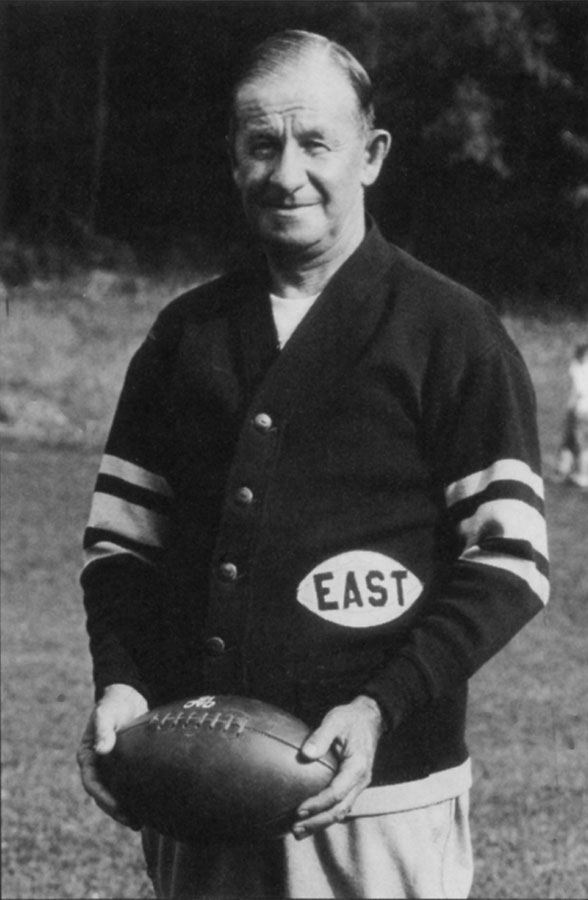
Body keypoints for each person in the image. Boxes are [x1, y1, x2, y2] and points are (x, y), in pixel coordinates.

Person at [75, 30, 548, 899]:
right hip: (204, 788)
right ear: (233, 159)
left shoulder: (451, 331)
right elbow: (121, 546)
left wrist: (379, 709)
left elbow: (510, 562)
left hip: (385, 797)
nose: (287, 172)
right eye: (262, 144)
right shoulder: (186, 336)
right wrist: (125, 685)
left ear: (370, 156)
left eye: (315, 143)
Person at [555, 334, 588, 490]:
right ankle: (582, 476)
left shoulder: (576, 366)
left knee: (570, 441)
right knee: (587, 446)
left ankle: (562, 471)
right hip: (587, 411)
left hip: (581, 410)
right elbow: (577, 391)